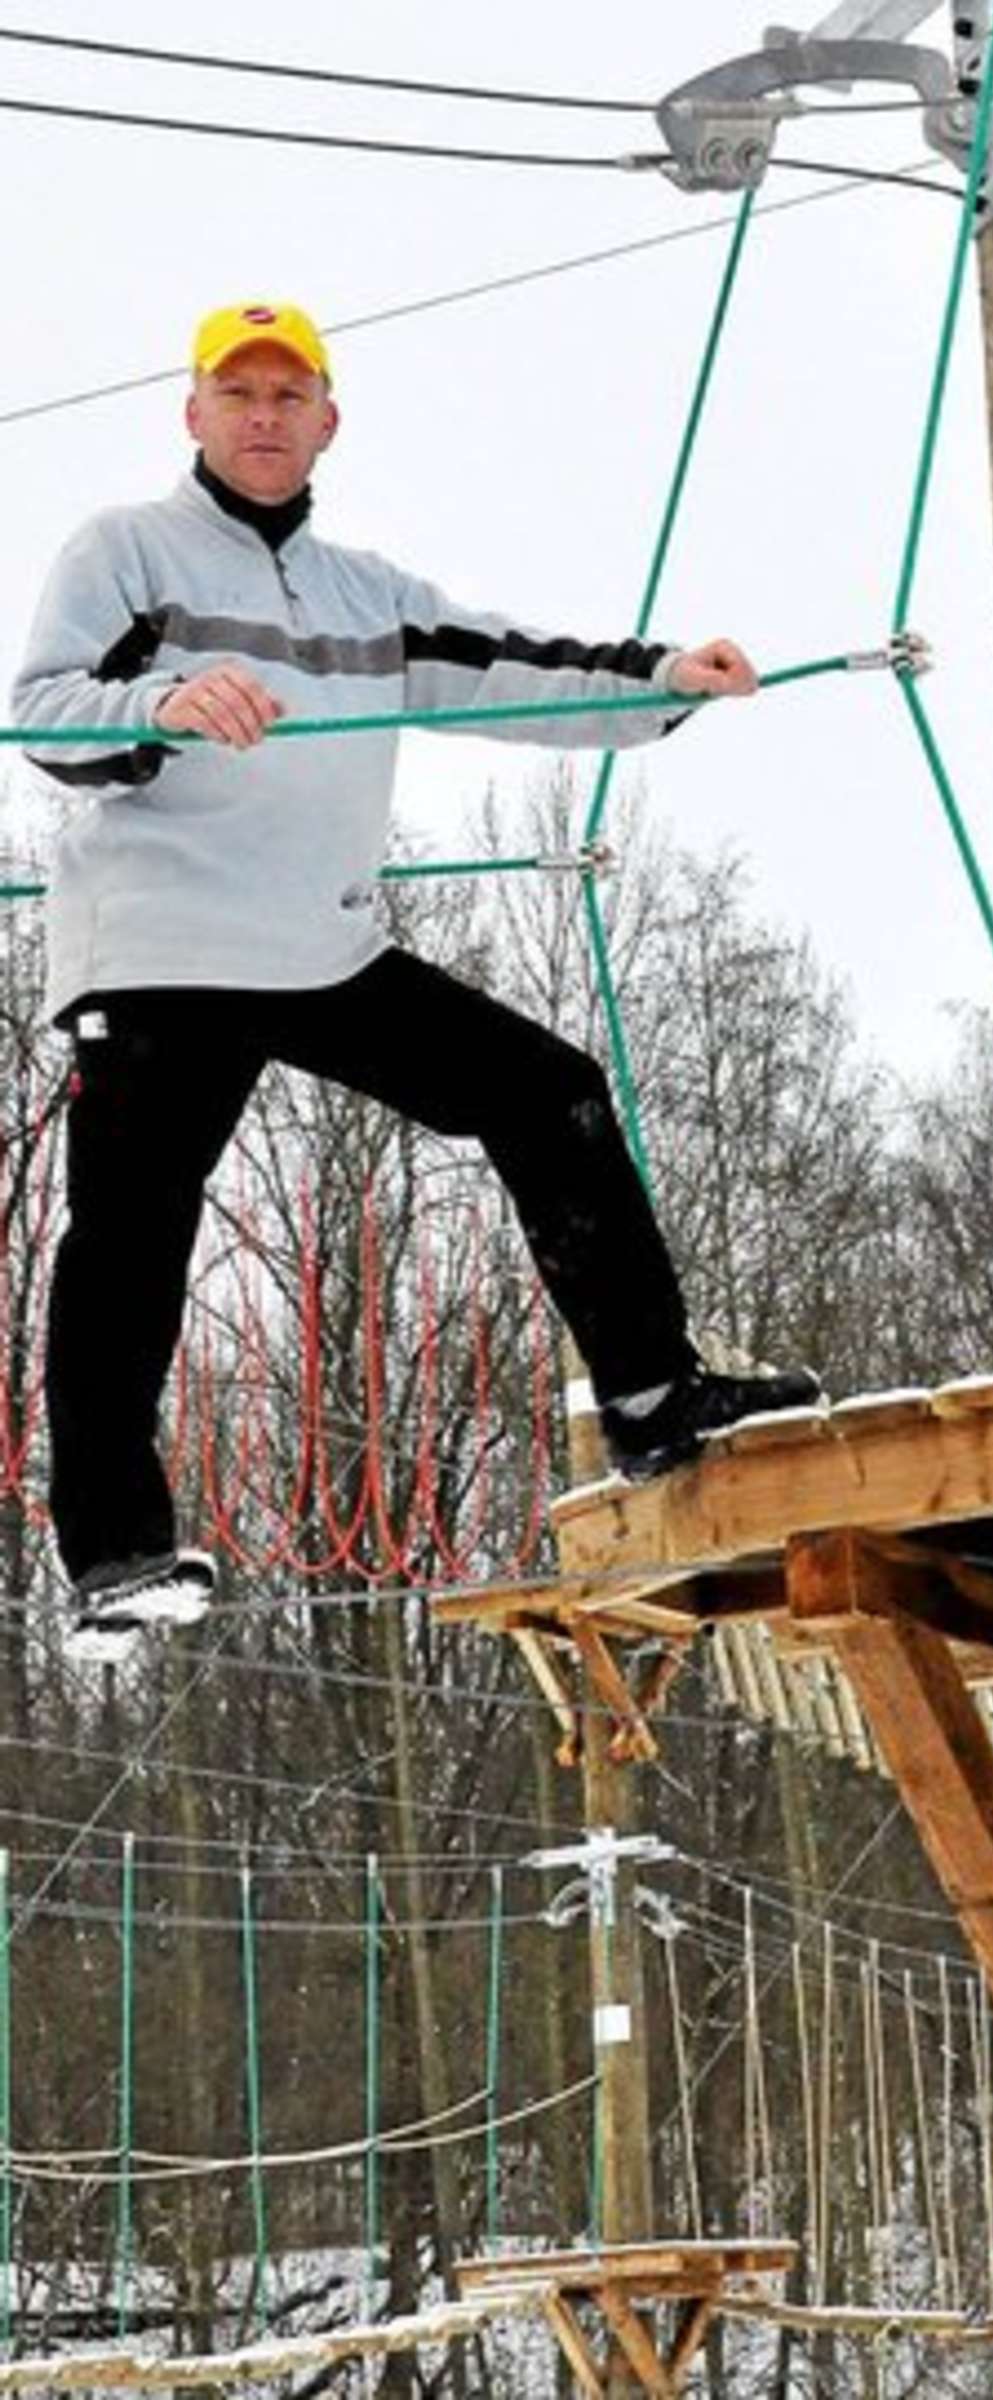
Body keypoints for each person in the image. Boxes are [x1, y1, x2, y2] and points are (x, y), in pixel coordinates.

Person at [11, 300, 821, 1664]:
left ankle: (649, 1391)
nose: (263, 416)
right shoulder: (125, 551)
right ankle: (113, 1554)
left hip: (322, 945)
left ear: (327, 420)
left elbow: (511, 666)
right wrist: (159, 704)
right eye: (238, 393)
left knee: (546, 1090)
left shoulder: (363, 594)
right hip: (159, 947)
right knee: (133, 1236)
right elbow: (39, 710)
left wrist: (665, 680)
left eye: (288, 394)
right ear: (193, 416)